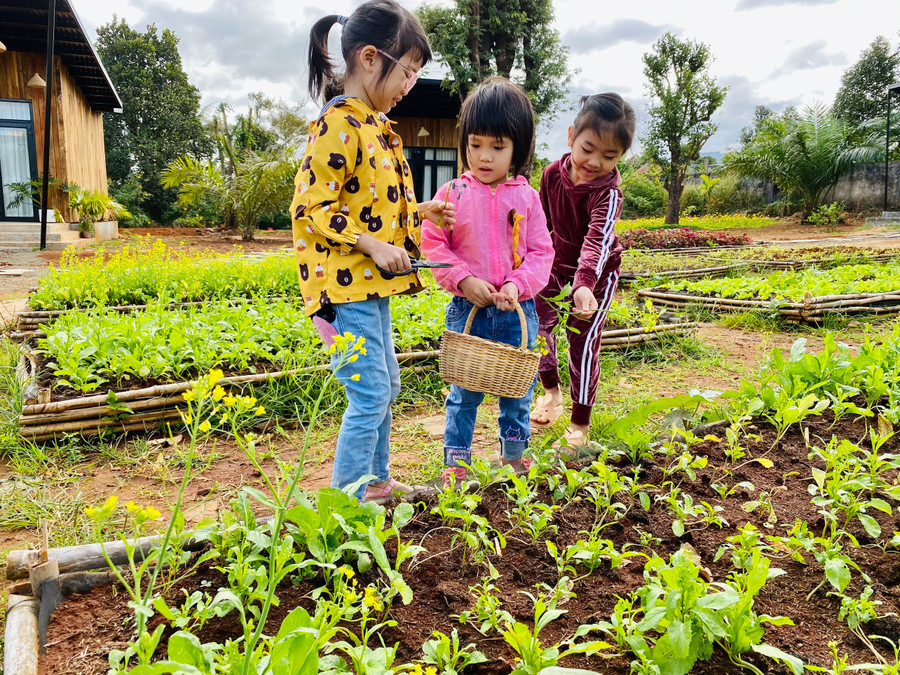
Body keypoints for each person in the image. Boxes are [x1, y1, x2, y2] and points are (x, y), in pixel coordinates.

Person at [292, 0, 454, 503]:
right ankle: (344, 503)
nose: (409, 85)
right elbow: (310, 208)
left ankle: (377, 482)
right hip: (342, 289)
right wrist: (372, 245)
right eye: (407, 72)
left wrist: (420, 211)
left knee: (388, 387)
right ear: (369, 58)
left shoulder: (373, 125)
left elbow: (371, 204)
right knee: (368, 395)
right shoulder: (339, 123)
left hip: (368, 285)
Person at [421, 77, 554, 488]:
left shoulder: (527, 197)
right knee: (464, 393)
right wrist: (462, 280)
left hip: (517, 311)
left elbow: (540, 252)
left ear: (518, 149)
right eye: (476, 144)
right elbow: (434, 244)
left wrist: (517, 284)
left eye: (498, 147)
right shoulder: (452, 193)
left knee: (517, 390)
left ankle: (514, 456)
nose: (484, 156)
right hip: (469, 310)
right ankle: (457, 463)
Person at [529, 93, 636, 447]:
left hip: (597, 278)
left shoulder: (609, 194)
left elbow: (597, 241)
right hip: (555, 266)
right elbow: (540, 224)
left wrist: (584, 284)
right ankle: (551, 393)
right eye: (588, 148)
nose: (594, 162)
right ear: (571, 135)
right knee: (538, 327)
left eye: (609, 156)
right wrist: (528, 263)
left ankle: (580, 423)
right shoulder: (550, 175)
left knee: (583, 341)